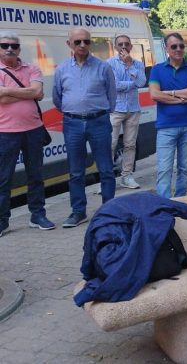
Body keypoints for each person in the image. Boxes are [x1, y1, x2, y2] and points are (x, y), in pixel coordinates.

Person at [53, 27, 117, 228]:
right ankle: (78, 212)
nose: (82, 45)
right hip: (72, 123)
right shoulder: (62, 69)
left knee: (106, 168)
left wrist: (96, 111)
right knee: (76, 171)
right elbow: (57, 98)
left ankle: (109, 211)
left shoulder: (103, 67)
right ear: (69, 44)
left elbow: (112, 96)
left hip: (99, 121)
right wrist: (75, 110)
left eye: (86, 41)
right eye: (78, 41)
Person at [0, 32, 55, 235]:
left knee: (36, 175)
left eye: (14, 46)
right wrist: (28, 93)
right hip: (5, 132)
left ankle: (37, 215)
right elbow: (4, 98)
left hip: (33, 130)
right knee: (3, 178)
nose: (9, 49)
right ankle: (2, 221)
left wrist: (7, 91)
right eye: (4, 45)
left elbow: (37, 92)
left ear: (19, 49)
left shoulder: (32, 68)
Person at [149, 32, 187, 198]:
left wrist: (169, 93)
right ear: (166, 49)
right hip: (166, 126)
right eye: (174, 46)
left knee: (185, 168)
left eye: (181, 46)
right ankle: (164, 204)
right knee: (164, 168)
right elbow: (155, 95)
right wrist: (181, 98)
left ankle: (180, 200)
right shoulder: (157, 69)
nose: (178, 49)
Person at [107, 34, 146, 190]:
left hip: (133, 108)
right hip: (115, 109)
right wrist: (132, 83)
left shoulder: (137, 64)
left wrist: (130, 65)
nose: (123, 46)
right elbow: (114, 85)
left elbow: (141, 82)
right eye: (120, 44)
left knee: (130, 144)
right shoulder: (109, 64)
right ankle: (107, 179)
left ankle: (127, 176)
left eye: (126, 44)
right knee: (110, 144)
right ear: (115, 47)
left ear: (131, 46)